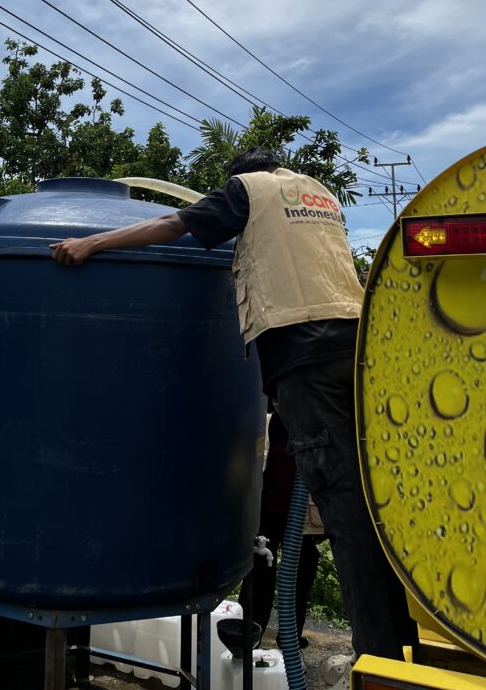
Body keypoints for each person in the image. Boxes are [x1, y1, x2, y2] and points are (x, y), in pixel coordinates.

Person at [51, 147, 417, 661]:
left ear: (241, 177)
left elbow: (173, 223)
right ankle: (407, 646)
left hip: (303, 356)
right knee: (373, 503)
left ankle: (376, 658)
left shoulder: (250, 190)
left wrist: (91, 243)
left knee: (342, 511)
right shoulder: (319, 193)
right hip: (357, 353)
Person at [253, 408, 323, 649]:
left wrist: (320, 524)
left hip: (302, 519)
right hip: (268, 513)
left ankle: (290, 637)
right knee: (260, 574)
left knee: (299, 580)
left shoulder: (315, 420)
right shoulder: (269, 422)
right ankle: (251, 633)